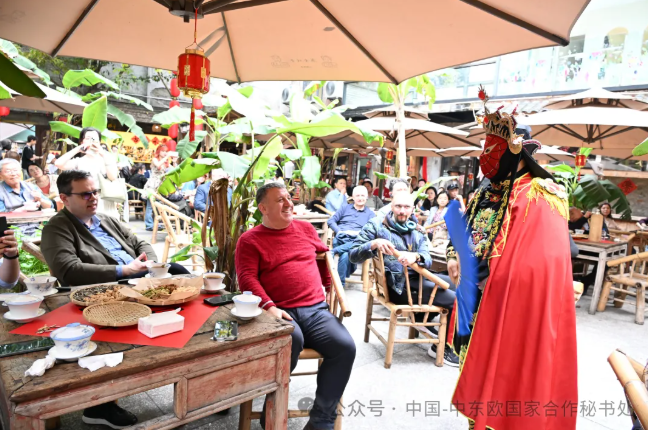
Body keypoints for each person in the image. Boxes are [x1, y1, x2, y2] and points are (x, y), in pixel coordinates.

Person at [445, 89, 577, 430]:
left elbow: (543, 263)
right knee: (476, 386)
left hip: (507, 306)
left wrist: (493, 278)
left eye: (493, 149)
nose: (486, 156)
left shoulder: (540, 195)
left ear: (516, 150)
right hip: (473, 304)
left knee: (506, 388)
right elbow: (464, 235)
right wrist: (455, 257)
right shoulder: (487, 191)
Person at [236, 182, 356, 430]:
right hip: (277, 312)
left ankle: (321, 421)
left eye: (289, 198)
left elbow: (323, 254)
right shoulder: (249, 240)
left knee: (344, 347)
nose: (289, 204)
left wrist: (327, 285)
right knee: (292, 341)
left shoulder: (305, 229)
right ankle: (272, 409)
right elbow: (246, 278)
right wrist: (270, 307)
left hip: (315, 310)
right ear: (263, 208)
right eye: (280, 200)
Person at [349, 192, 460, 366]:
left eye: (406, 207)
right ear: (391, 206)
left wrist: (415, 256)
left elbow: (427, 259)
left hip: (417, 281)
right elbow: (353, 255)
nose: (402, 211)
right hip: (398, 288)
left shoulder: (417, 229)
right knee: (457, 300)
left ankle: (422, 319)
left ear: (413, 209)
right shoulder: (376, 225)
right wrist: (373, 243)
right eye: (398, 206)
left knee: (461, 287)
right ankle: (442, 348)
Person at [41, 170, 190, 286]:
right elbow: (69, 270)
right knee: (175, 269)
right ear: (65, 198)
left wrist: (151, 265)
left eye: (95, 192)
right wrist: (126, 270)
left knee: (176, 276)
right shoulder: (56, 229)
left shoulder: (106, 220)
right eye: (85, 194)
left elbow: (139, 243)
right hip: (107, 285)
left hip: (137, 278)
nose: (93, 198)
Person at [55, 127, 120, 218]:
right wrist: (78, 149)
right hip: (85, 200)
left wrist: (102, 153)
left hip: (104, 201)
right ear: (82, 141)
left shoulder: (107, 158)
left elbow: (112, 177)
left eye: (94, 139)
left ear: (99, 142)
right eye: (88, 138)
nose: (91, 141)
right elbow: (58, 163)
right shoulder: (79, 161)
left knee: (106, 224)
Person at [327, 186, 376, 287]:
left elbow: (371, 231)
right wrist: (338, 231)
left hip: (357, 240)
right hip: (342, 238)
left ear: (366, 197)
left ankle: (339, 286)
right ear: (352, 197)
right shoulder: (345, 208)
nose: (360, 198)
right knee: (348, 253)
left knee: (345, 255)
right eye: (357, 195)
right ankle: (341, 283)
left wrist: (359, 234)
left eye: (362, 195)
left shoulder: (370, 214)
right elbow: (331, 221)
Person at [143, 144, 171, 230]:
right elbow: (158, 165)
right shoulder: (155, 159)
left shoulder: (165, 162)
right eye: (163, 151)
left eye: (166, 151)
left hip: (160, 185)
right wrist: (167, 157)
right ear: (159, 151)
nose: (165, 153)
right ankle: (149, 225)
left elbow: (172, 169)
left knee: (159, 205)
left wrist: (173, 161)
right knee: (150, 205)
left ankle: (157, 223)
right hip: (153, 184)